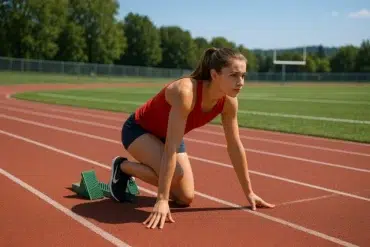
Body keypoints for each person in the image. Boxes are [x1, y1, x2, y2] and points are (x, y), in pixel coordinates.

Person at [109, 47, 275, 230]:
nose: (241, 82)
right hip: (139, 130)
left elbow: (235, 146)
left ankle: (131, 169)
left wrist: (249, 193)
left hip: (169, 134)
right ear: (214, 75)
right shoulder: (186, 93)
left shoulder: (229, 102)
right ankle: (122, 167)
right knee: (176, 175)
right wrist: (162, 199)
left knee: (185, 197)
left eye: (243, 76)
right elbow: (171, 147)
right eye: (234, 75)